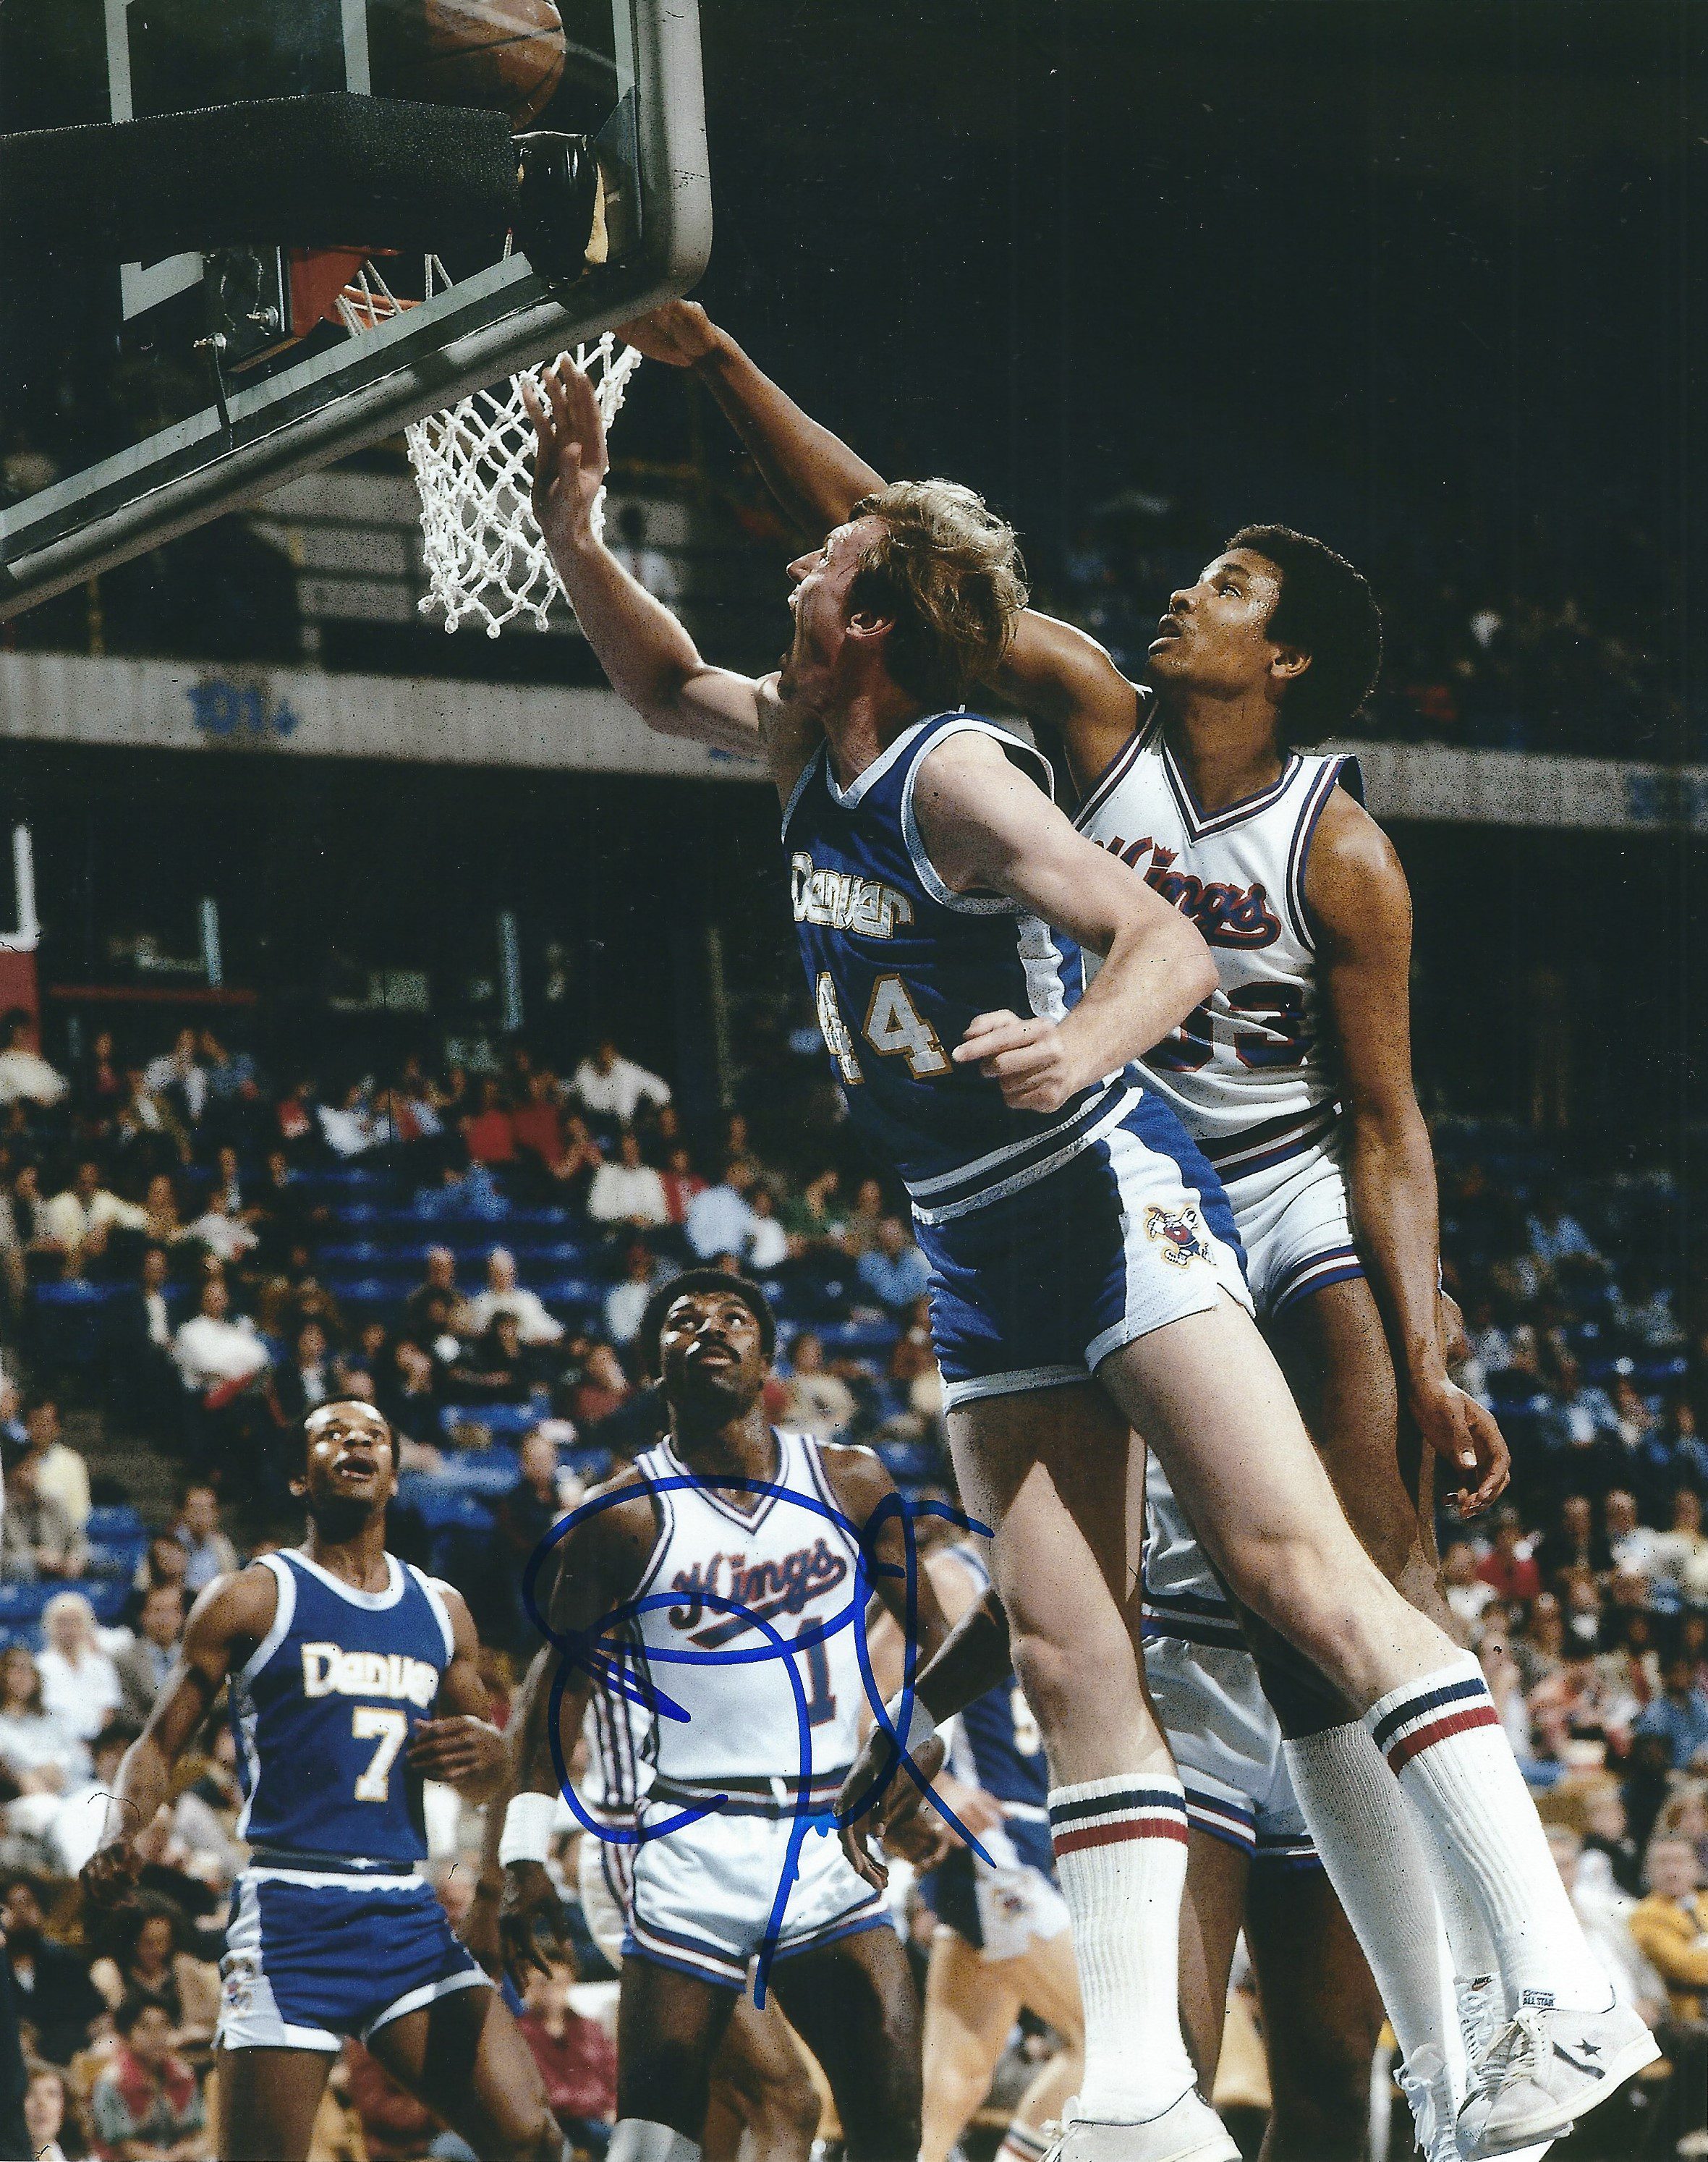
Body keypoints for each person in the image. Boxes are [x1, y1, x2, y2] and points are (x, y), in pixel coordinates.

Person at [509, 342, 1649, 2161]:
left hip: (1135, 1181)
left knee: (1312, 1570)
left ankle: (1558, 1991)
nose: (793, 567)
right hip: (972, 1234)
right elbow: (662, 678)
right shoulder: (867, 726)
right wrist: (572, 526)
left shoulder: (990, 777)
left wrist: (1080, 1044)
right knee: (1062, 1659)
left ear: (871, 610)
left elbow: (1179, 958)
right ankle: (1138, 2095)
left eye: (822, 567)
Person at [492, 1272, 951, 2162]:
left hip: (829, 1834)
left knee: (892, 2123)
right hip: (691, 1837)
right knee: (655, 2140)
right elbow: (556, 1690)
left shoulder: (853, 1482)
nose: (710, 1326)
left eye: (734, 1317)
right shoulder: (620, 1516)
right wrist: (520, 1853)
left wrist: (914, 1744)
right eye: (683, 1319)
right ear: (655, 1365)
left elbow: (937, 1640)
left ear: (768, 1359)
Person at [80, 1399, 562, 2162]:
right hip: (290, 1917)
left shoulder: (443, 1612)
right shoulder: (251, 1596)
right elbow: (156, 1744)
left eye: (373, 1436)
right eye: (333, 1435)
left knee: (530, 2138)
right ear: (303, 1479)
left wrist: (492, 1759)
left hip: (405, 1913)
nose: (355, 1444)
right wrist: (118, 1827)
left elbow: (489, 1777)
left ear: (395, 1479)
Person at [904, 1538, 1084, 2162]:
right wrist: (936, 1782)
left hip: (1029, 1836)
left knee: (958, 2081)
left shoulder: (1057, 1570)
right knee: (1112, 2042)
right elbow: (869, 1687)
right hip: (990, 1845)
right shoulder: (952, 1576)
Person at [88, 1993, 208, 2160]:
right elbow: (121, 2145)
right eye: (145, 2028)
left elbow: (196, 2131)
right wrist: (162, 2159)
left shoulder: (183, 2075)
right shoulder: (111, 2082)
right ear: (126, 2036)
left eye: (163, 2026)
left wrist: (185, 2151)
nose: (157, 2036)